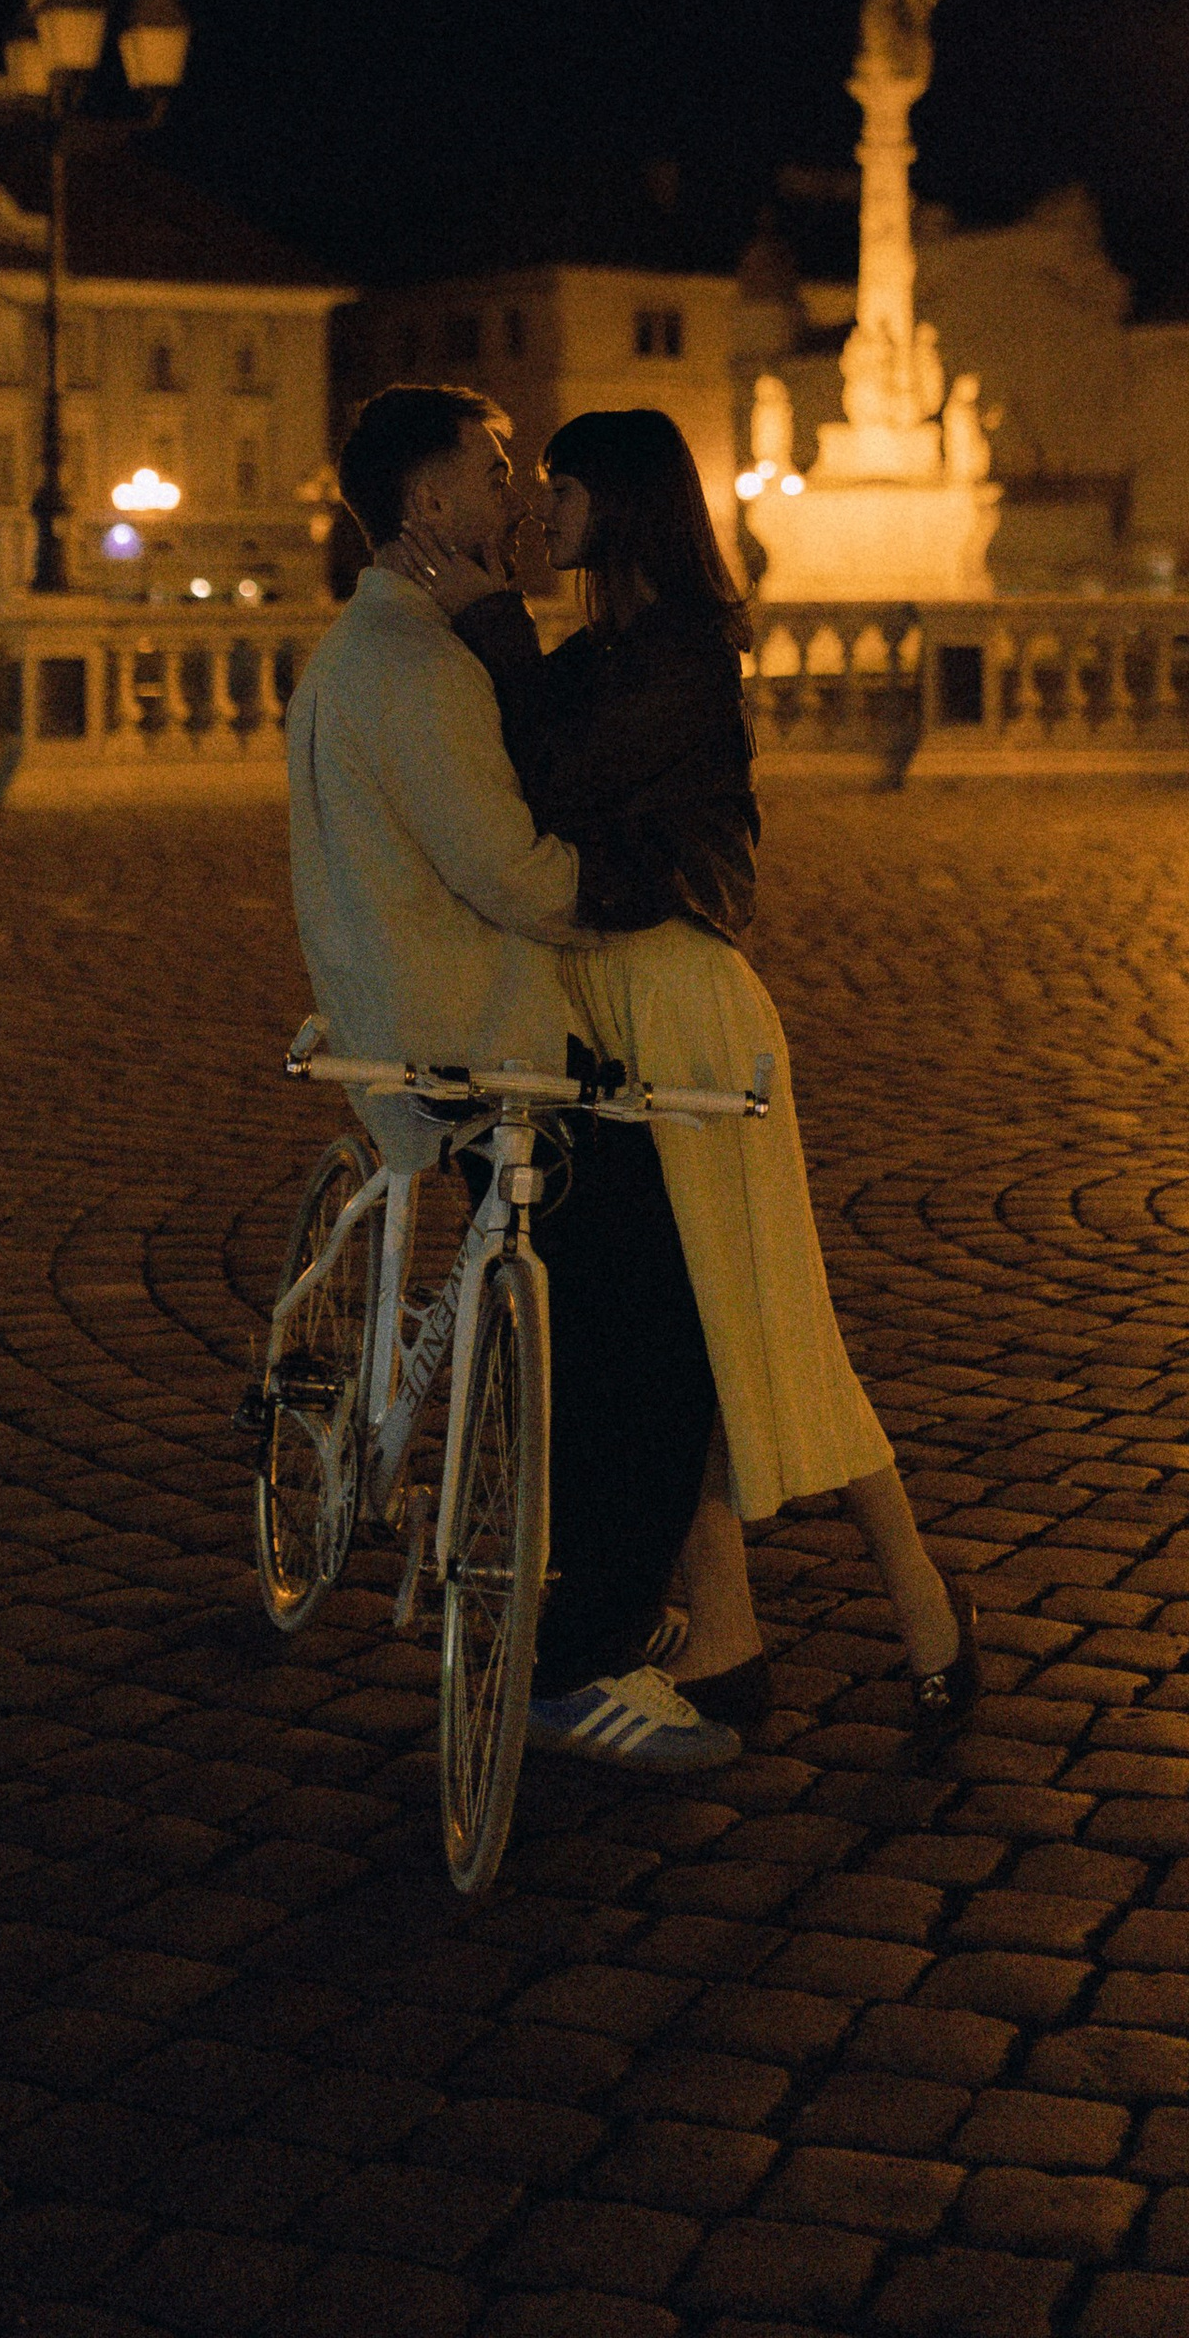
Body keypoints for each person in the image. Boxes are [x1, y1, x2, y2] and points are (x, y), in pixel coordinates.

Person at [388, 404, 977, 1740]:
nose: (541, 510)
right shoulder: (605, 648)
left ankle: (915, 1595)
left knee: (762, 1320)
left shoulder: (684, 657)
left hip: (686, 1014)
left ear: (626, 502)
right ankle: (726, 1631)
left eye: (562, 488)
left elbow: (552, 768)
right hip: (605, 1006)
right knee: (693, 1329)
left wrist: (485, 620)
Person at [284, 384, 737, 1774]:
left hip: (410, 1023)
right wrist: (659, 892)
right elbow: (520, 875)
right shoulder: (422, 668)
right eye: (493, 470)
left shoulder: (368, 647)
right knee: (662, 1338)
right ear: (430, 507)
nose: (517, 497)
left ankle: (584, 1590)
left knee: (613, 1314)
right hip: (482, 1052)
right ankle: (582, 1655)